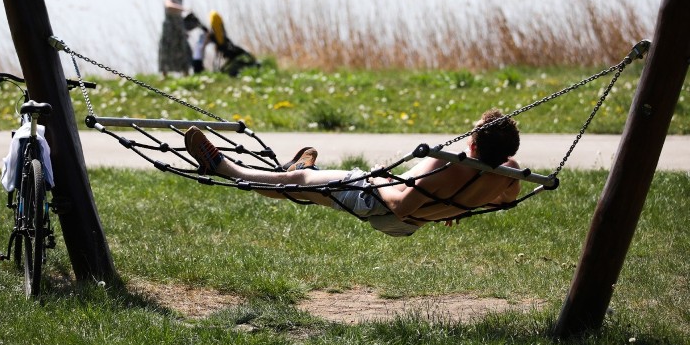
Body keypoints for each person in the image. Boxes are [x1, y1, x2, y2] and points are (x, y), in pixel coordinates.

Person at [183, 109, 521, 237]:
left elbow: (400, 204)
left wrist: (377, 179)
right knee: (311, 181)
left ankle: (223, 166)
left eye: (473, 128)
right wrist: (457, 205)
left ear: (474, 142)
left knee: (298, 185)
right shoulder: (509, 172)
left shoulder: (447, 162)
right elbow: (503, 199)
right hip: (413, 223)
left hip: (378, 202)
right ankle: (308, 169)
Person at [158, 0, 193, 78]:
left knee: (183, 49)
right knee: (167, 49)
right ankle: (164, 74)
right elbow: (168, 5)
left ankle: (185, 73)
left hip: (179, 26)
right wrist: (183, 9)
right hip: (170, 26)